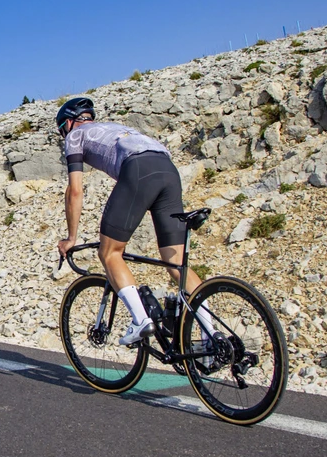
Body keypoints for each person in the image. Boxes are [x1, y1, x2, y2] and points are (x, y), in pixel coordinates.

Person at [54, 97, 210, 346]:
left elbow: (74, 191)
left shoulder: (75, 136)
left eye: (63, 129)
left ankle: (140, 320)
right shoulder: (114, 127)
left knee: (110, 253)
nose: (64, 135)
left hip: (138, 169)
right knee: (176, 263)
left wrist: (71, 238)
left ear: (70, 122)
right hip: (168, 170)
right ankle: (211, 336)